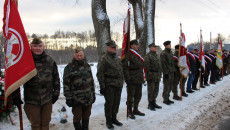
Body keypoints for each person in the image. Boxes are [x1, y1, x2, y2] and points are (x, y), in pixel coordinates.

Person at [23, 38, 60, 130]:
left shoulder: (50, 60)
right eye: (35, 46)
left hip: (47, 98)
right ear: (31, 47)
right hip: (32, 100)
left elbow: (56, 78)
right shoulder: (25, 61)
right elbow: (17, 79)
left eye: (40, 46)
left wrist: (56, 93)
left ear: (43, 47)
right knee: (35, 124)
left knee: (45, 123)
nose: (38, 48)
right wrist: (15, 94)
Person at [63, 47, 95, 130]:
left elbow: (91, 81)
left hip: (88, 98)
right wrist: (68, 98)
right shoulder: (69, 68)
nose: (80, 57)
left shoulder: (87, 66)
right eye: (78, 55)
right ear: (74, 56)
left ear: (83, 56)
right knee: (77, 117)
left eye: (81, 55)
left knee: (86, 116)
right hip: (76, 99)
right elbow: (66, 84)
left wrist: (93, 94)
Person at [97, 40, 124, 129]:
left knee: (116, 103)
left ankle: (114, 118)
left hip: (118, 85)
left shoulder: (117, 58)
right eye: (112, 47)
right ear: (108, 48)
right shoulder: (104, 58)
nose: (114, 49)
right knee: (109, 103)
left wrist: (122, 81)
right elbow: (100, 73)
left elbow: (121, 71)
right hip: (109, 85)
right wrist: (102, 86)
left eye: (115, 47)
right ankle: (108, 121)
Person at [122, 39, 145, 119]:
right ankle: (129, 111)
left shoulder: (137, 54)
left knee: (138, 95)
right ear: (132, 46)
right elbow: (125, 68)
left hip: (139, 77)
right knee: (131, 96)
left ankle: (135, 109)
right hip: (132, 78)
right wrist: (127, 79)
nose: (138, 46)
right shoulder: (128, 54)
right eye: (136, 44)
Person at [144, 43, 162, 111]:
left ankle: (154, 102)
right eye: (154, 47)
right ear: (150, 48)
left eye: (156, 47)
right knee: (151, 91)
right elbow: (146, 68)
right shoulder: (148, 56)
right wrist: (149, 76)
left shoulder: (156, 56)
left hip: (157, 76)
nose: (155, 48)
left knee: (156, 90)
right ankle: (150, 104)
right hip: (152, 76)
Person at [160, 40, 176, 105]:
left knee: (170, 85)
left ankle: (168, 98)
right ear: (166, 45)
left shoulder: (170, 53)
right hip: (167, 72)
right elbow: (163, 64)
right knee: (166, 86)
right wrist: (165, 73)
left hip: (171, 71)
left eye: (170, 44)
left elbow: (172, 63)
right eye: (169, 44)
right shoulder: (163, 53)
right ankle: (165, 99)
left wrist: (174, 71)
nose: (170, 45)